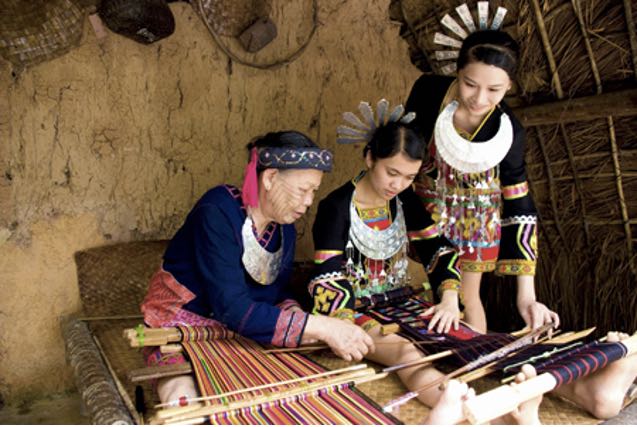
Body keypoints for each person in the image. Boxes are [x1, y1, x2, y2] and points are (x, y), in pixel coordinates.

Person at [140, 131, 375, 404]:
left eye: (313, 192)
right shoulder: (218, 210)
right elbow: (233, 307)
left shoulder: (284, 229)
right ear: (270, 178)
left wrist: (300, 317)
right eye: (303, 190)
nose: (309, 201)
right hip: (181, 328)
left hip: (238, 332)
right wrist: (320, 327)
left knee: (292, 395)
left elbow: (274, 295)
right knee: (182, 398)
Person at [309, 103, 465, 408]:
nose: (399, 185)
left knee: (463, 339)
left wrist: (448, 298)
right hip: (354, 312)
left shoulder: (405, 199)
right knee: (406, 352)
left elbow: (438, 250)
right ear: (369, 157)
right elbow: (328, 276)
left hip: (401, 303)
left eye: (409, 177)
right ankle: (453, 405)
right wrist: (343, 327)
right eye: (392, 172)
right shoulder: (336, 206)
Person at [405, 29, 559, 334]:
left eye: (494, 90)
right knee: (415, 290)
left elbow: (519, 202)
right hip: (421, 209)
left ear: (509, 86)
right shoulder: (428, 94)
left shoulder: (510, 130)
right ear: (457, 71)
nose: (479, 98)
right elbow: (402, 149)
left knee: (465, 297)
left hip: (475, 223)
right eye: (470, 84)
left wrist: (527, 296)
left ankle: (472, 367)